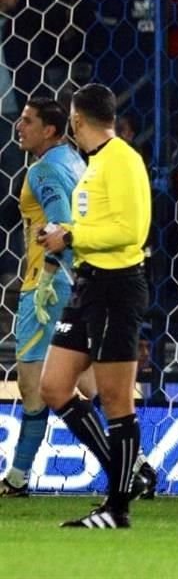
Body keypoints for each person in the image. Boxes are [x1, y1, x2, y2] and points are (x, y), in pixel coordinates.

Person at [37, 83, 152, 528]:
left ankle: (117, 507)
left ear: (76, 118)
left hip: (117, 288)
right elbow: (101, 223)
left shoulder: (122, 159)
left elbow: (131, 231)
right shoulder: (97, 163)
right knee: (55, 385)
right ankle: (126, 475)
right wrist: (65, 230)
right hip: (89, 285)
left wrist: (72, 236)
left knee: (117, 400)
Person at [0, 97, 87, 497]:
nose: (19, 126)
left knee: (32, 383)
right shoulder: (74, 160)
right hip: (80, 280)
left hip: (46, 285)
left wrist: (49, 273)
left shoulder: (43, 170)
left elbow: (59, 220)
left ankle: (17, 478)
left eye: (27, 121)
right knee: (86, 379)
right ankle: (134, 464)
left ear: (49, 129)